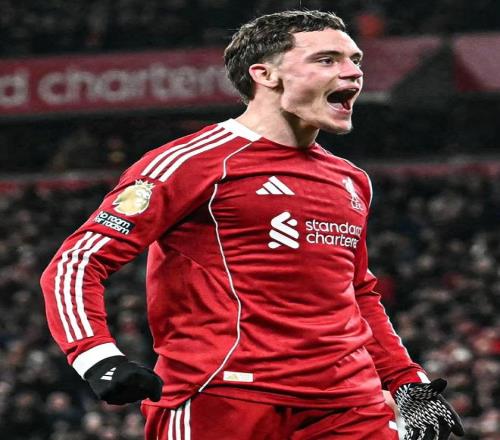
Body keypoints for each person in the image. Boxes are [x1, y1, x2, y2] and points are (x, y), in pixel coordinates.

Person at [40, 10, 464, 440]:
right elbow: (77, 262)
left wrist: (406, 381)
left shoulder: (350, 179)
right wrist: (96, 357)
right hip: (224, 397)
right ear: (265, 74)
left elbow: (356, 294)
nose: (353, 72)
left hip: (348, 403)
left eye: (355, 60)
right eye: (327, 60)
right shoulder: (191, 163)